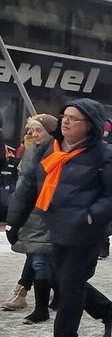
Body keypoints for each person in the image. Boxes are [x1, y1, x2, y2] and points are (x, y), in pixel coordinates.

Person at [5, 99, 112, 337]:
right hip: (54, 225)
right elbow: (27, 188)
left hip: (85, 232)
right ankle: (109, 314)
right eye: (64, 116)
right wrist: (15, 221)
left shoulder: (107, 155)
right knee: (64, 280)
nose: (66, 121)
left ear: (90, 124)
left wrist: (90, 216)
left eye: (74, 118)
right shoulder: (49, 148)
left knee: (68, 285)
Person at [2, 114, 58, 323]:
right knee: (35, 254)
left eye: (38, 130)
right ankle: (27, 293)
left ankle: (39, 307)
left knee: (40, 257)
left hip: (41, 211)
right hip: (30, 210)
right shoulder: (32, 149)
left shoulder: (52, 151)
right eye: (30, 130)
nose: (33, 134)